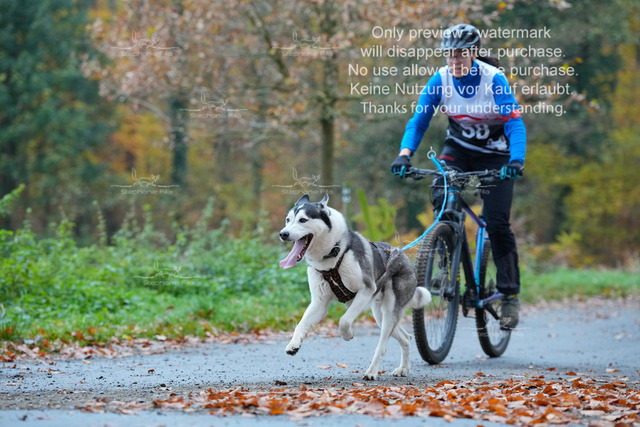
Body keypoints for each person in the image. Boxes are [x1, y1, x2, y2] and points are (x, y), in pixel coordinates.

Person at [390, 23, 526, 330]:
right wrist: (404, 154)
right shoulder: (440, 80)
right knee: (441, 193)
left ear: (474, 53)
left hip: (498, 155)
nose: (455, 61)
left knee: (497, 222)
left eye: (461, 55)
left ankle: (509, 296)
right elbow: (419, 120)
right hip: (459, 151)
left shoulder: (494, 80)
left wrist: (516, 160)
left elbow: (514, 123)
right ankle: (445, 260)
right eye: (449, 55)